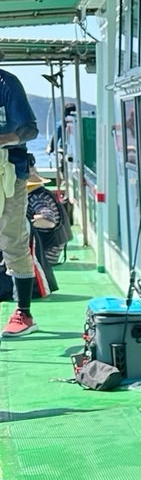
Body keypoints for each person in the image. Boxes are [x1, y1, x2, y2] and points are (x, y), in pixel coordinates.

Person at [0, 68, 42, 336]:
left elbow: (30, 129)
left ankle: (23, 313)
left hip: (10, 171)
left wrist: (4, 139)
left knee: (12, 238)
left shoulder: (7, 83)